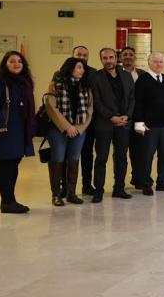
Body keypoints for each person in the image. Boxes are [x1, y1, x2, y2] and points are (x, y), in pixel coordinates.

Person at [0, 51, 36, 213]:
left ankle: (10, 200)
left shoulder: (24, 82)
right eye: (12, 61)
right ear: (5, 64)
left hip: (19, 130)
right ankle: (7, 202)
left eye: (19, 61)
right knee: (6, 166)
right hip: (4, 130)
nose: (17, 64)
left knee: (13, 164)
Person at [43, 57, 93, 206]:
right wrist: (67, 127)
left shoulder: (86, 86)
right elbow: (51, 107)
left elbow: (90, 109)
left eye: (83, 68)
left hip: (79, 129)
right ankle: (56, 195)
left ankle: (71, 193)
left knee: (74, 159)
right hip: (57, 129)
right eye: (79, 67)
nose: (82, 70)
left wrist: (78, 128)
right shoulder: (55, 85)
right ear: (70, 68)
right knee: (58, 159)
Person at [89, 47, 135, 202]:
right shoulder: (95, 77)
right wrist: (111, 117)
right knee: (101, 158)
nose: (108, 61)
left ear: (116, 58)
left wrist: (127, 115)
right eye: (105, 58)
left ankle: (119, 188)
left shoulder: (127, 76)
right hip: (104, 124)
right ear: (101, 59)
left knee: (121, 157)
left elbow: (132, 98)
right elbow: (96, 102)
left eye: (111, 57)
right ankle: (98, 191)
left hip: (123, 123)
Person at [133, 52, 164, 195]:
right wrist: (139, 122)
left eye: (161, 61)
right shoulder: (142, 79)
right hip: (149, 126)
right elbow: (137, 102)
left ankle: (162, 182)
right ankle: (146, 184)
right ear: (149, 63)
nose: (158, 64)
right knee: (147, 156)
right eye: (155, 61)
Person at [72, 45, 98, 196]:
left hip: (88, 122)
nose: (82, 57)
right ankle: (67, 188)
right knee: (69, 156)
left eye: (84, 55)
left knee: (87, 154)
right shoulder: (62, 72)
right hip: (69, 122)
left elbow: (95, 98)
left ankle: (87, 185)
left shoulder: (93, 73)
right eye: (79, 54)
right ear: (73, 55)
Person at [120, 46, 146, 189]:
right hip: (123, 118)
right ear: (120, 58)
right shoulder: (116, 73)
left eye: (131, 54)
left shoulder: (143, 74)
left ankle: (138, 179)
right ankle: (120, 182)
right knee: (121, 152)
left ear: (135, 57)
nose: (128, 57)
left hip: (139, 118)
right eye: (125, 55)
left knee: (139, 151)